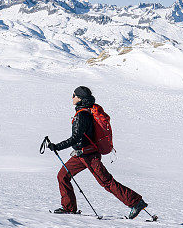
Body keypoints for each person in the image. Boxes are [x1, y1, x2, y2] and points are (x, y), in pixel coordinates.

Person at [46, 86, 148, 219]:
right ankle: (69, 208)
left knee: (106, 182)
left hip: (89, 156)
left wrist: (57, 146)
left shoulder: (82, 114)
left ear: (80, 98)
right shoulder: (84, 112)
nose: (72, 97)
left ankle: (136, 202)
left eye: (74, 95)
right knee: (62, 176)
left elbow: (76, 137)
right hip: (80, 155)